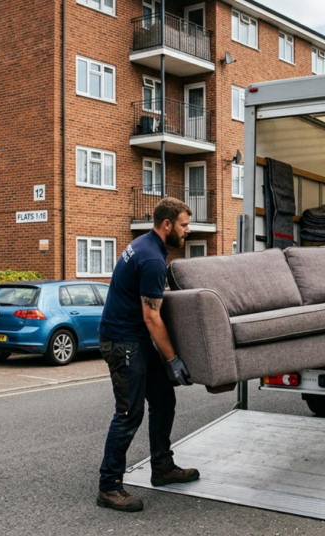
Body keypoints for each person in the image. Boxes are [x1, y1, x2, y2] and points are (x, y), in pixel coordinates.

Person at [96, 197, 200, 512]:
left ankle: (162, 467)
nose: (188, 231)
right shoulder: (152, 259)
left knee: (163, 399)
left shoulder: (144, 245)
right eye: (183, 225)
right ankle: (108, 486)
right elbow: (152, 317)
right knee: (129, 413)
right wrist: (174, 360)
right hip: (123, 342)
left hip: (134, 340)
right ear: (166, 224)